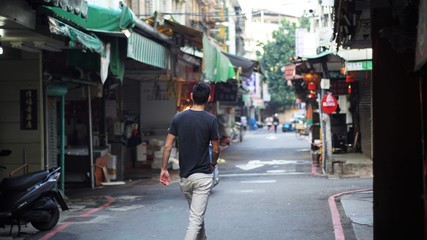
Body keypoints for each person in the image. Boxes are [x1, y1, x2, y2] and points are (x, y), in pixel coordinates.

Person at [160, 82, 221, 240]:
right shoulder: (211, 120)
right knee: (195, 219)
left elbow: (167, 146)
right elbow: (215, 149)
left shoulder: (178, 118)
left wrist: (164, 169)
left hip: (185, 178)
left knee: (197, 215)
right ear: (209, 98)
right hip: (202, 176)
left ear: (192, 96)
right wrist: (213, 164)